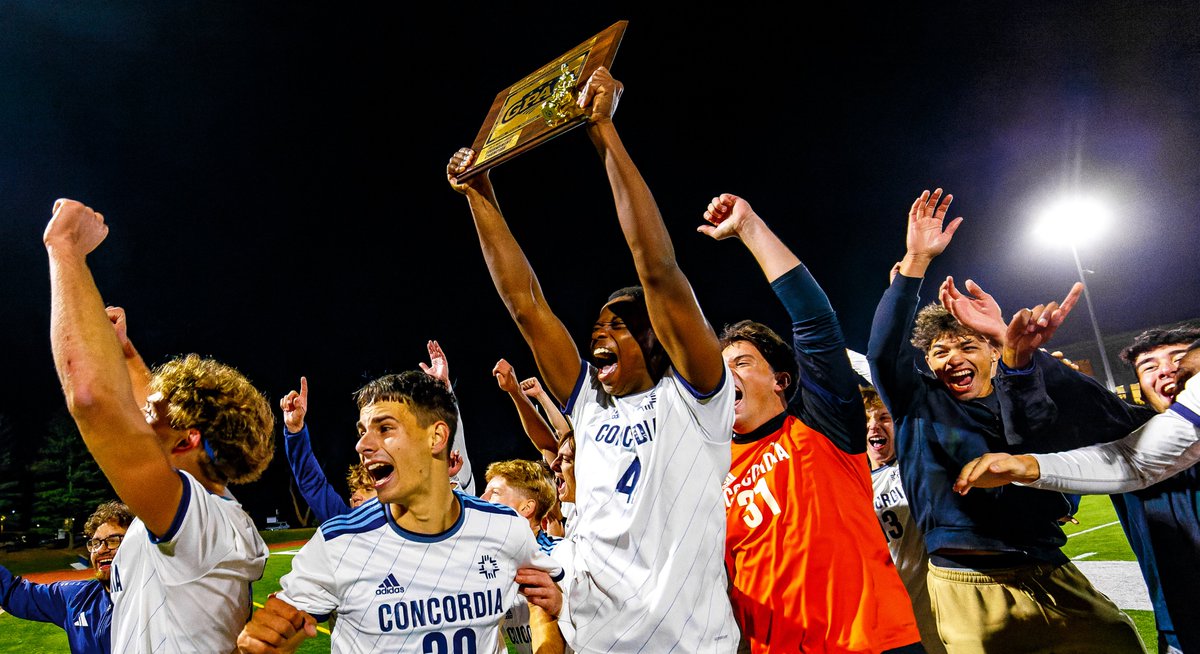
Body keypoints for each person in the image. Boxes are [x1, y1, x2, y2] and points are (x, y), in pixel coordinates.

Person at [449, 66, 738, 652]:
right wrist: (479, 193)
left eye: (621, 326)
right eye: (597, 325)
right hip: (595, 641)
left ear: (659, 339)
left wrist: (603, 132)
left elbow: (656, 268)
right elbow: (526, 305)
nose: (600, 333)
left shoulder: (698, 398)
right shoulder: (589, 404)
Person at [867, 188, 1149, 652]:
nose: (952, 357)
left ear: (993, 352)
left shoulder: (1018, 389)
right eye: (939, 351)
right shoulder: (919, 402)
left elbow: (1065, 440)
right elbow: (883, 350)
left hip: (1050, 566)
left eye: (967, 345)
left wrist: (1025, 363)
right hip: (968, 583)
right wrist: (915, 261)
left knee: (1121, 642)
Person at [43, 199, 274, 653]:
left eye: (154, 413)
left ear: (189, 439)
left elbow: (92, 400)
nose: (143, 410)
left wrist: (64, 247)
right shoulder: (218, 511)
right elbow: (155, 404)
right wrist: (126, 353)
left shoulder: (197, 522)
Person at [699, 193, 922, 653]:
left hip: (874, 643)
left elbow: (815, 320)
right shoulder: (709, 469)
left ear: (781, 380)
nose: (728, 374)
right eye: (722, 369)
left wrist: (749, 227)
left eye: (741, 361)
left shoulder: (821, 425)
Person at [236, 371, 564, 654]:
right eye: (362, 431)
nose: (362, 445)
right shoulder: (340, 543)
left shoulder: (505, 528)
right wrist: (267, 639)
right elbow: (277, 628)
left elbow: (544, 603)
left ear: (436, 437)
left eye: (384, 428)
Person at [955, 336, 1200, 653]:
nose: (1167, 371)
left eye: (1179, 360)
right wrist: (1036, 369)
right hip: (1185, 632)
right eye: (1149, 366)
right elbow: (1103, 420)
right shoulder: (1135, 437)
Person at [282, 341, 475, 524]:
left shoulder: (436, 516)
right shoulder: (350, 525)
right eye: (362, 432)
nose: (356, 496)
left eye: (367, 488)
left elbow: (453, 455)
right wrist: (295, 431)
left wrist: (442, 395)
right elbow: (312, 484)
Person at [863, 388, 944, 654]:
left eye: (884, 418)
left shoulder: (914, 468)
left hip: (934, 604)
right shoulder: (854, 483)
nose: (874, 425)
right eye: (866, 420)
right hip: (887, 613)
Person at [0, 501, 133, 654]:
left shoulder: (154, 596)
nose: (101, 549)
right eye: (95, 543)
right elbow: (14, 594)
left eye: (113, 541)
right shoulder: (76, 597)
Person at [480, 459, 566, 654]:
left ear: (527, 508)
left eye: (494, 493)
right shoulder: (486, 560)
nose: (482, 499)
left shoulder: (562, 555)